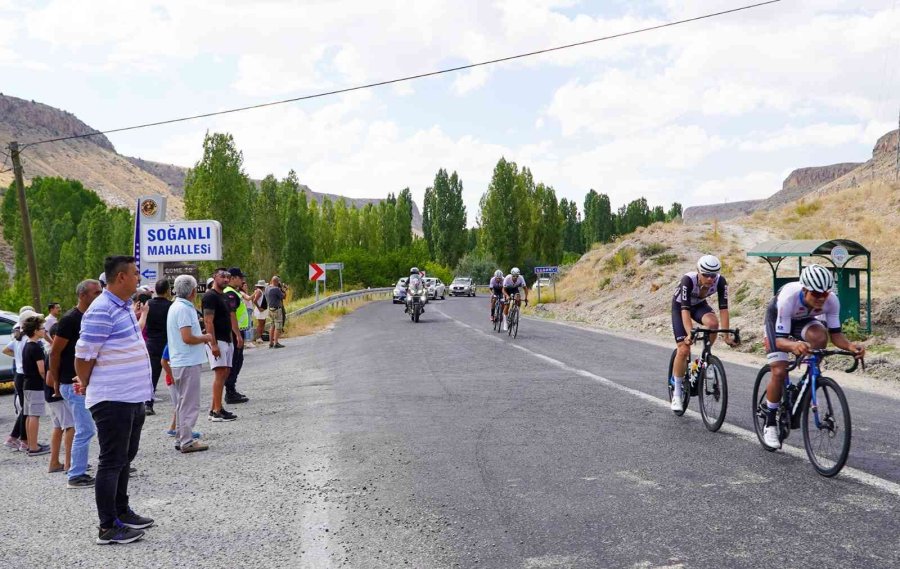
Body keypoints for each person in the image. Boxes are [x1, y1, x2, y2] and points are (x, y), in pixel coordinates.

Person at [75, 255, 154, 545]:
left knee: (125, 458)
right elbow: (83, 356)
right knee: (111, 461)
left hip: (132, 397)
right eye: (135, 274)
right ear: (120, 277)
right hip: (113, 398)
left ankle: (122, 511)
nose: (138, 279)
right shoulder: (101, 310)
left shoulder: (122, 307)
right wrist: (86, 382)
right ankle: (107, 526)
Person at [760, 264, 865, 449]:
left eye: (825, 294)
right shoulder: (788, 299)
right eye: (816, 294)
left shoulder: (831, 300)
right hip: (777, 319)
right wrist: (793, 345)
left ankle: (808, 379)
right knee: (779, 370)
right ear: (805, 289)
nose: (821, 299)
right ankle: (769, 422)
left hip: (804, 320)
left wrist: (850, 346)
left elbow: (836, 335)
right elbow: (780, 340)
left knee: (820, 336)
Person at [48, 279, 102, 489]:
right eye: (95, 293)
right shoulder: (70, 320)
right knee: (85, 428)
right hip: (72, 382)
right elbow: (55, 352)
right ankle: (76, 474)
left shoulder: (93, 316)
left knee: (93, 425)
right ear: (82, 295)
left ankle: (100, 465)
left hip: (88, 381)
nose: (100, 296)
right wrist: (56, 380)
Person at [669, 255, 734, 413]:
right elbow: (684, 310)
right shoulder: (688, 280)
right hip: (680, 308)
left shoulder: (720, 282)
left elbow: (723, 309)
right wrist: (689, 334)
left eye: (714, 275)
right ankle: (677, 393)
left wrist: (726, 335)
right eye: (706, 275)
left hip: (699, 306)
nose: (710, 279)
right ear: (698, 271)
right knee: (683, 349)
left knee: (713, 324)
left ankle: (703, 358)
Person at [169, 273, 216, 448]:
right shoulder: (184, 309)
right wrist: (205, 337)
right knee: (190, 403)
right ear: (192, 291)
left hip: (181, 360)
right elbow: (187, 337)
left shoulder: (176, 306)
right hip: (187, 361)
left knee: (183, 401)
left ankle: (181, 437)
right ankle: (187, 441)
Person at [203, 268, 239, 422]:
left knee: (225, 372)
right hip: (218, 340)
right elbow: (208, 321)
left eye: (228, 277)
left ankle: (215, 408)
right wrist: (214, 344)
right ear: (214, 277)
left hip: (227, 339)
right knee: (220, 373)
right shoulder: (210, 296)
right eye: (222, 276)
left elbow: (230, 317)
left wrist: (235, 336)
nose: (225, 279)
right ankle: (217, 411)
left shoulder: (224, 296)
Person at [20, 314, 51, 456]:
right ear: (35, 331)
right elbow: (41, 369)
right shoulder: (36, 348)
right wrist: (48, 381)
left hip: (27, 384)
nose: (44, 330)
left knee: (29, 414)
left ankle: (29, 443)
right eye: (42, 328)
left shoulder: (27, 345)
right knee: (35, 415)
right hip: (35, 385)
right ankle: (33, 447)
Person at [143, 279, 173, 416]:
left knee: (152, 375)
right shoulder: (171, 306)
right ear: (167, 290)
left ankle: (148, 404)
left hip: (152, 343)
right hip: (168, 343)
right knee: (173, 373)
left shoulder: (148, 304)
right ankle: (178, 402)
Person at [223, 268, 250, 404]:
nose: (242, 280)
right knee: (234, 361)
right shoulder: (230, 294)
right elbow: (231, 314)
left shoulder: (235, 292)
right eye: (240, 277)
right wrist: (238, 335)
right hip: (235, 332)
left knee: (238, 360)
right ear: (233, 278)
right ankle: (230, 391)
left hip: (238, 331)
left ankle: (232, 389)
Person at [265, 276, 286, 349]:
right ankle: (276, 342)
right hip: (277, 309)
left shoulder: (267, 288)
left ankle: (270, 343)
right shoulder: (276, 289)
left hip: (270, 309)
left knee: (272, 326)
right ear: (276, 282)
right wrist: (284, 290)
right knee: (278, 326)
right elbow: (283, 297)